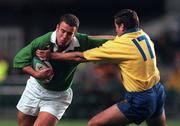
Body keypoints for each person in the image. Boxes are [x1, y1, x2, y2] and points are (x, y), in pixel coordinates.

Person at [37, 9, 167, 126]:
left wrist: (53, 55)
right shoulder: (142, 35)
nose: (116, 30)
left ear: (122, 26)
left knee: (94, 124)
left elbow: (80, 57)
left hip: (141, 99)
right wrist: (83, 39)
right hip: (158, 91)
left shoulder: (123, 45)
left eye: (116, 26)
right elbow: (114, 39)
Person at [13, 14, 113, 126]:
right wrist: (36, 74)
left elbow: (103, 40)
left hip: (57, 96)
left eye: (69, 33)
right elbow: (19, 60)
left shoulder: (81, 42)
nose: (64, 36)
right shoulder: (43, 41)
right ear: (57, 28)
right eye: (62, 31)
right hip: (34, 89)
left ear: (75, 33)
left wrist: (125, 38)